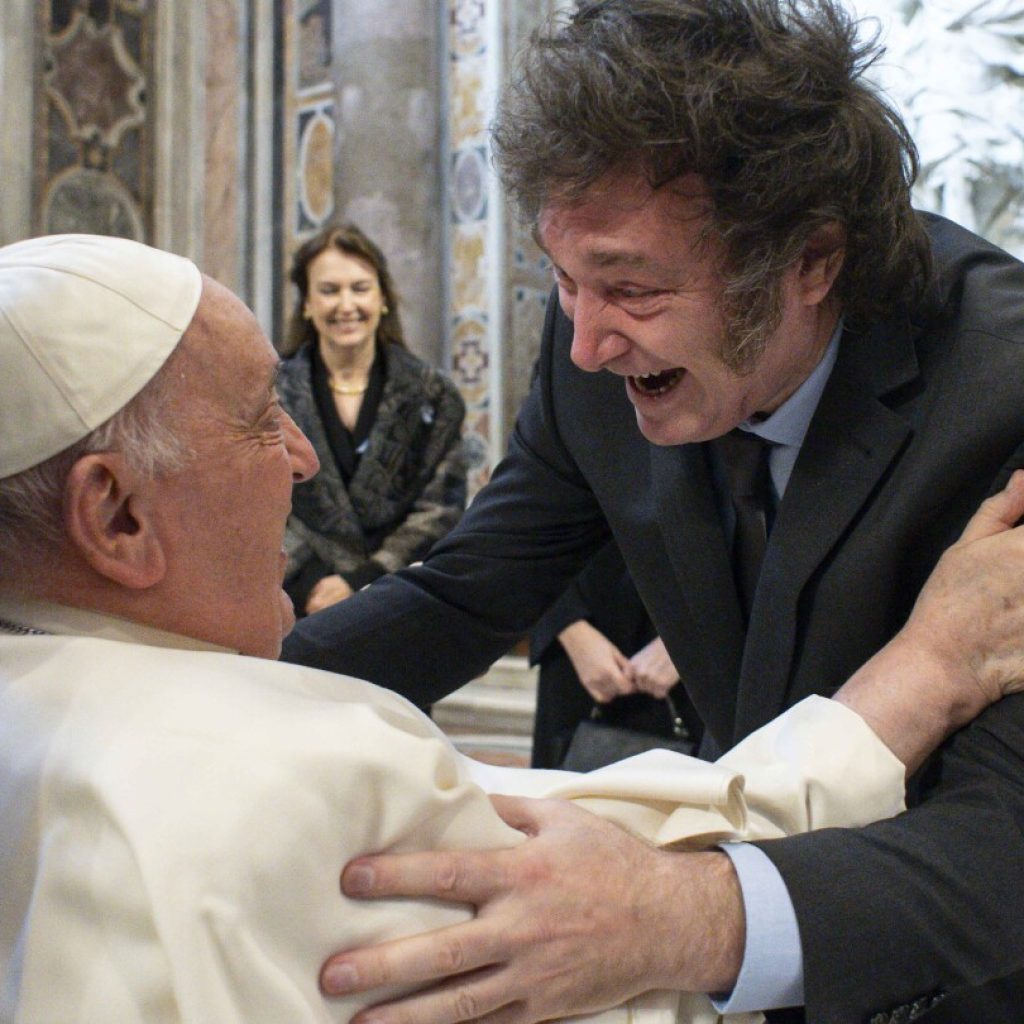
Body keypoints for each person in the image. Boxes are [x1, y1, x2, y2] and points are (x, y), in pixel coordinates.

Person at [4, 235, 1019, 1024]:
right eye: (262, 414)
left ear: (805, 263)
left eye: (626, 282)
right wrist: (926, 671)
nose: (301, 459)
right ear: (117, 517)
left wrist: (264, 694)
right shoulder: (280, 768)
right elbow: (634, 887)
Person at [279, 1, 1024, 1020]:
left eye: (627, 289)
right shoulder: (591, 340)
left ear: (811, 260)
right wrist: (221, 700)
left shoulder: (1002, 388)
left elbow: (1003, 831)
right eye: (561, 278)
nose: (586, 344)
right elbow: (466, 593)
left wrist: (679, 918)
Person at [279, 223, 467, 617]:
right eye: (329, 291)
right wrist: (314, 584)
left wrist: (361, 579)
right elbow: (253, 499)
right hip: (293, 602)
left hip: (397, 603)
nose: (346, 305)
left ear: (382, 298)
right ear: (307, 303)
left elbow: (440, 511)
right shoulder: (268, 394)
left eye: (360, 288)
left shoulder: (433, 396)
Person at [530, 539, 702, 769]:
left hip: (705, 640)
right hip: (579, 631)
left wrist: (690, 635)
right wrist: (568, 627)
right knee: (564, 790)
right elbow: (522, 530)